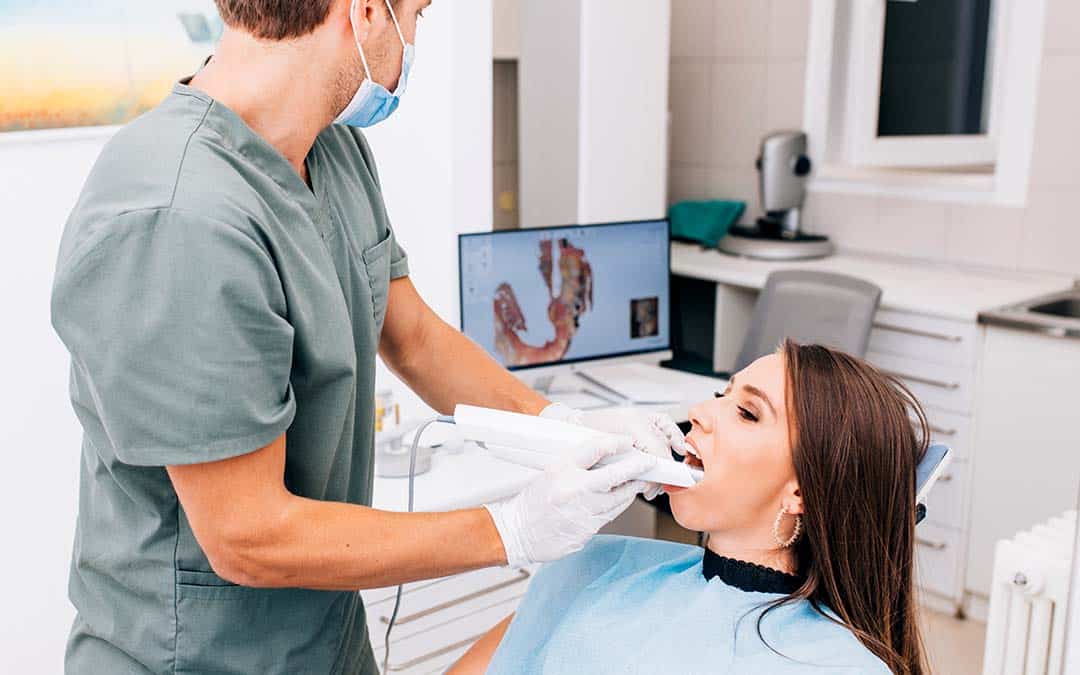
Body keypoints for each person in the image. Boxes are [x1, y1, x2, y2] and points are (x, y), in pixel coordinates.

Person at [49, 1, 674, 673]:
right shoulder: (179, 217)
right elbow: (247, 537)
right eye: (419, 13)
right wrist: (512, 528)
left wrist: (568, 425)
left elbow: (414, 339)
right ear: (368, 10)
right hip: (199, 657)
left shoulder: (334, 148)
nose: (415, 39)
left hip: (325, 640)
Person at [450, 340, 931, 675]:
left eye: (746, 412)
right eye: (723, 393)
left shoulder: (836, 666)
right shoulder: (593, 565)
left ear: (801, 492)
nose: (701, 411)